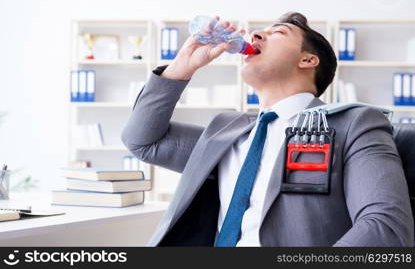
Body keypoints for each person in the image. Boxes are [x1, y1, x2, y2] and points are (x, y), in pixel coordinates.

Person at [121, 12, 414, 246]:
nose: (256, 34)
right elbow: (143, 140)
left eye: (277, 32)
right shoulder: (225, 131)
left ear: (307, 60)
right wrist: (182, 65)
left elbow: (385, 227)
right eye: (260, 30)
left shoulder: (354, 124)